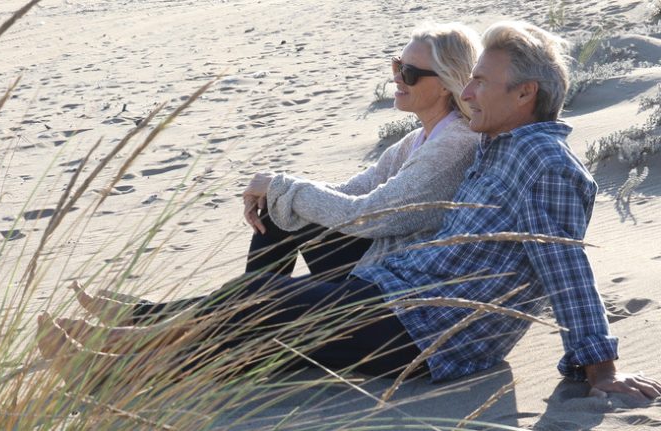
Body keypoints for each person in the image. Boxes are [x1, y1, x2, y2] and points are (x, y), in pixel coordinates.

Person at [38, 20, 661, 401]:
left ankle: (115, 362)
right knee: (272, 310)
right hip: (399, 294)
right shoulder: (498, 146)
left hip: (435, 331)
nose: (467, 93)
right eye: (465, 81)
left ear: (525, 93)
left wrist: (599, 366)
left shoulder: (546, 165)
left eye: (479, 83)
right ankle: (127, 351)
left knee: (272, 311)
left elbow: (564, 268)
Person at [68, 22, 482, 326]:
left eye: (409, 73)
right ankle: (207, 322)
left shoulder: (452, 146)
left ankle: (176, 323)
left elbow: (373, 216)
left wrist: (284, 187)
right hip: (374, 263)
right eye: (396, 64)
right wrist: (279, 190)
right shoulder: (420, 139)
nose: (396, 77)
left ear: (446, 84)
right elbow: (349, 191)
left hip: (390, 292)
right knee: (279, 211)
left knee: (284, 212)